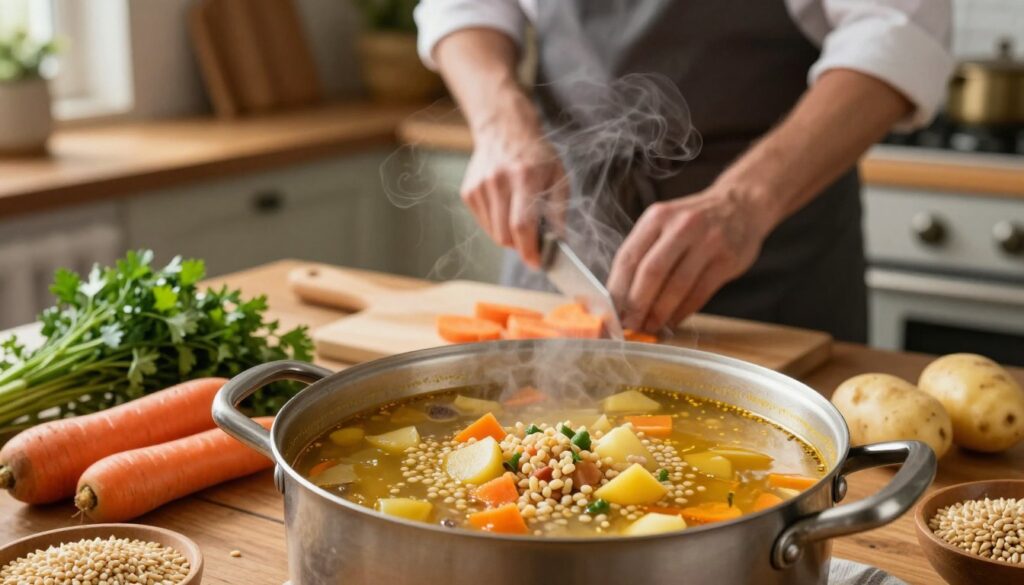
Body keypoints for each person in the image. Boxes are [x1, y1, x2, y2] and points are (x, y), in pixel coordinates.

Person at [413, 0, 954, 341]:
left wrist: (744, 202)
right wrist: (500, 123)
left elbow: (897, 32)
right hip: (563, 217)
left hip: (774, 242)